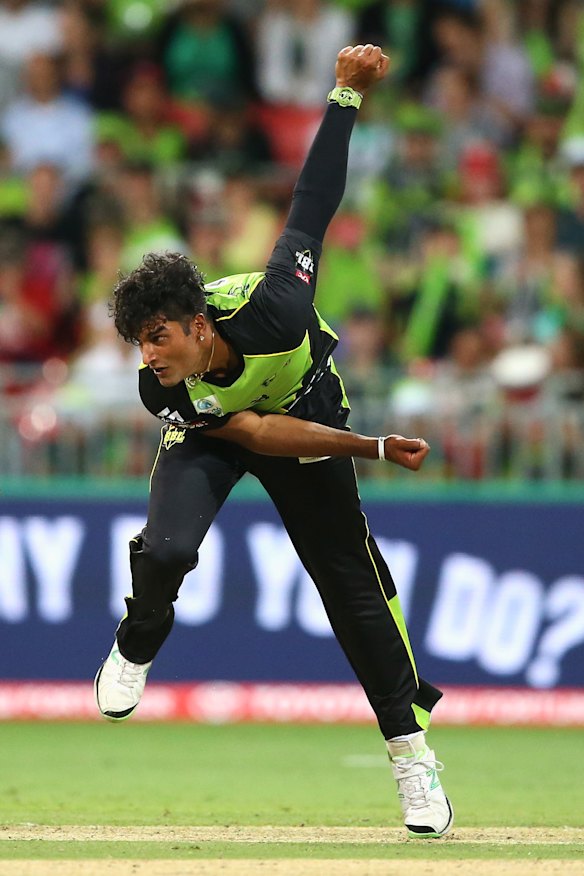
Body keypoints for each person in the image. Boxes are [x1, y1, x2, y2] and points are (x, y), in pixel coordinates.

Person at [94, 44, 454, 839]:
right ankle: (139, 639)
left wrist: (346, 94)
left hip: (306, 408)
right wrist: (374, 448)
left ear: (198, 324)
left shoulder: (277, 308)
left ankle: (412, 757)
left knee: (350, 585)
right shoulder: (163, 385)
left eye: (157, 337)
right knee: (166, 550)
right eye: (139, 343)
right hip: (233, 430)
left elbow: (312, 201)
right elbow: (252, 433)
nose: (148, 356)